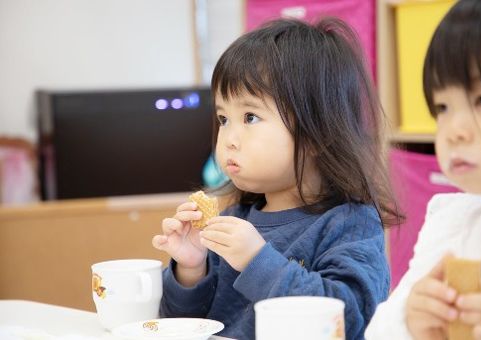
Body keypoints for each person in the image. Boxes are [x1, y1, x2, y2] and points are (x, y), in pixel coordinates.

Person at [152, 17, 400, 340]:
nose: (228, 138)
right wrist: (190, 268)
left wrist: (258, 261)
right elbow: (179, 322)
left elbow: (350, 318)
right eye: (223, 118)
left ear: (317, 132)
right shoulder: (232, 220)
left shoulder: (350, 224)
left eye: (250, 117)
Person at [365, 1, 481, 339]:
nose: (454, 129)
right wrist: (410, 321)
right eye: (443, 106)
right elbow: (378, 334)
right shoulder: (453, 222)